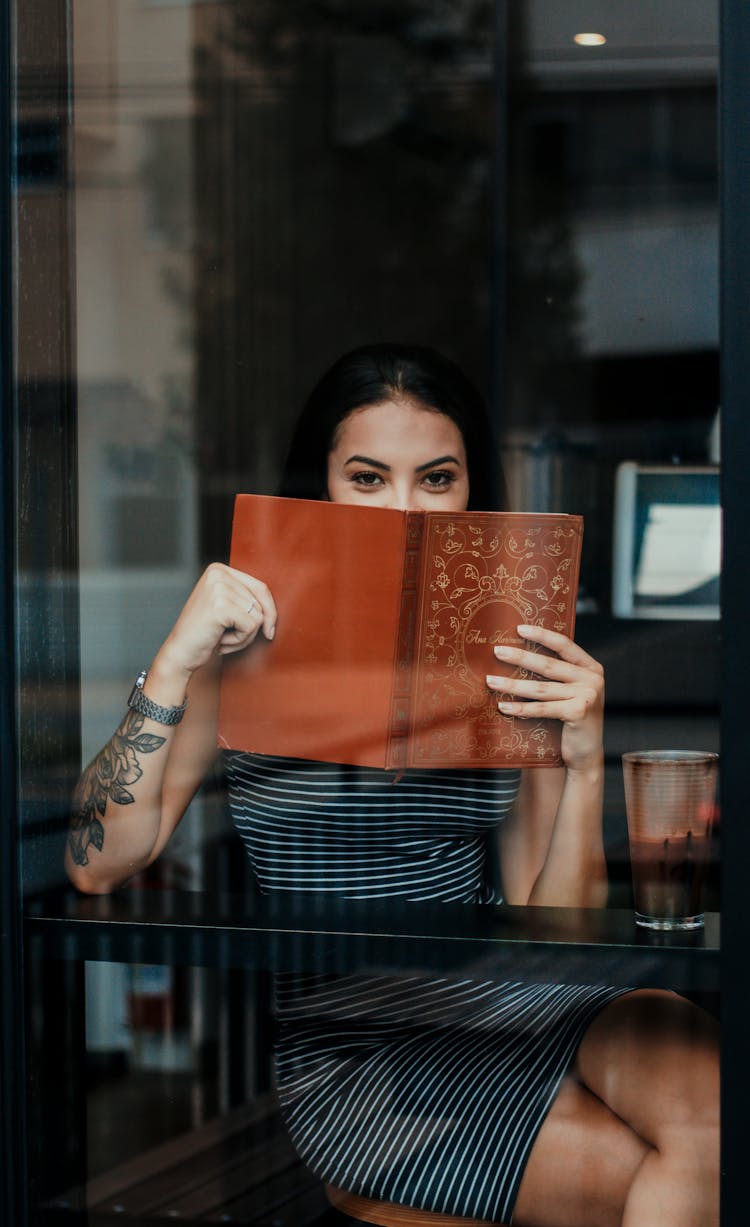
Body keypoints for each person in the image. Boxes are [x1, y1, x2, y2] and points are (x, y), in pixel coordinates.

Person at [67, 344, 719, 1227]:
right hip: (367, 1054)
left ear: (468, 492)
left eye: (436, 478)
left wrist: (582, 755)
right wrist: (176, 661)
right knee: (647, 1177)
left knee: (720, 1125)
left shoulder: (504, 638)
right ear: (322, 485)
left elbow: (558, 929)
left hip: (529, 995)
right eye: (367, 477)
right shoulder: (240, 651)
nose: (403, 509)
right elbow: (98, 864)